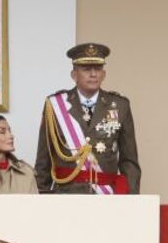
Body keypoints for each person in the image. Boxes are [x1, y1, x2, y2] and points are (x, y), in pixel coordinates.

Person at [35, 43, 141, 194]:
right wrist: (42, 197)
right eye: (86, 69)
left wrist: (131, 199)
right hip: (66, 196)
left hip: (106, 196)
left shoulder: (120, 105)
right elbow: (43, 161)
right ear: (74, 75)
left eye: (98, 69)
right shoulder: (55, 105)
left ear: (103, 74)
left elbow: (129, 161)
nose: (93, 74)